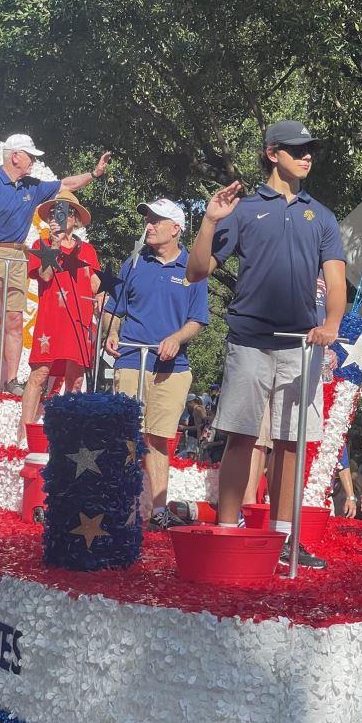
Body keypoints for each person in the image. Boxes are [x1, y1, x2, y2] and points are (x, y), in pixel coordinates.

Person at [186, 119, 347, 569]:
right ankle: (227, 531)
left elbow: (336, 283)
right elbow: (198, 269)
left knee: (290, 443)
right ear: (273, 153)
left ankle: (285, 540)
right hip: (250, 341)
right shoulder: (242, 208)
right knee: (240, 437)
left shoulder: (323, 215)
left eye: (310, 148)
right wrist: (208, 220)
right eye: (298, 149)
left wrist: (332, 322)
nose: (307, 155)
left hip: (302, 345)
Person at [0, 134, 110, 393]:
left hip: (17, 255)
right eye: (30, 156)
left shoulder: (32, 186)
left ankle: (12, 380)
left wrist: (94, 174)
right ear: (15, 156)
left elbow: (65, 184)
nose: (34, 162)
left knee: (15, 319)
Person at [103, 198, 209, 527]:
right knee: (127, 435)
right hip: (132, 359)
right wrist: (112, 331)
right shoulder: (133, 262)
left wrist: (177, 339)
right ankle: (121, 507)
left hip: (172, 368)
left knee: (159, 436)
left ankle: (160, 512)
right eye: (148, 218)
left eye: (157, 220)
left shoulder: (194, 268)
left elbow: (198, 320)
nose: (149, 224)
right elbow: (113, 310)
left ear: (175, 229)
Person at [19, 191, 100, 440]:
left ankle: (68, 435)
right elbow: (44, 275)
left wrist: (102, 296)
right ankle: (24, 435)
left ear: (75, 219)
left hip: (79, 321)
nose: (60, 217)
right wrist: (54, 244)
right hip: (51, 321)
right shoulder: (40, 245)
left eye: (66, 212)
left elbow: (96, 283)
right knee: (39, 374)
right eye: (55, 212)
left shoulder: (87, 250)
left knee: (75, 380)